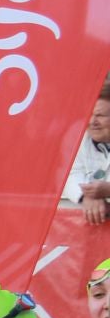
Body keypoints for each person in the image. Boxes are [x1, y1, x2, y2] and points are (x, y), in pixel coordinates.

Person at [62, 89, 110, 224]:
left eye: (100, 115)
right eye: (90, 114)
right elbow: (68, 173)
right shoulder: (76, 134)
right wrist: (86, 197)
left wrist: (108, 190)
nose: (93, 121)